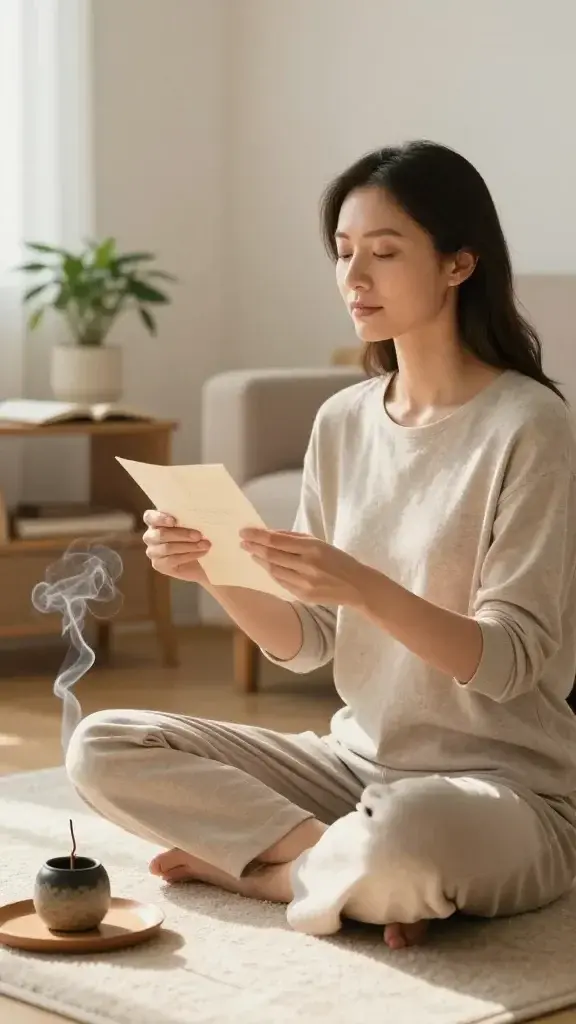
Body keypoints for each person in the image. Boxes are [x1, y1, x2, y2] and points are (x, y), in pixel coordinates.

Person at [66, 140, 576, 950]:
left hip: (500, 791)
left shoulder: (531, 427)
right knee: (103, 743)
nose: (354, 278)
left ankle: (266, 871)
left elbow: (512, 662)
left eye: (383, 252)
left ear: (458, 264)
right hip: (352, 770)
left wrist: (366, 586)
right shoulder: (342, 422)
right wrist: (214, 573)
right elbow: (307, 646)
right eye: (343, 253)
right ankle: (338, 868)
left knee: (410, 833)